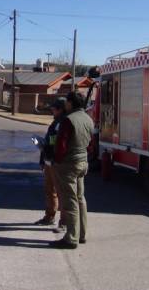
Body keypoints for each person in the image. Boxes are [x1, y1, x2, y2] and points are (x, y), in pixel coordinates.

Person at [49, 91, 94, 249]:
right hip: (83, 162)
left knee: (70, 201)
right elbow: (91, 143)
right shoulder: (88, 119)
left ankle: (71, 238)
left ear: (70, 103)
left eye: (67, 101)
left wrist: (56, 160)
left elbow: (61, 145)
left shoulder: (69, 120)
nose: (65, 104)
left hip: (69, 164)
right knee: (80, 198)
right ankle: (81, 234)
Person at [35, 99, 66, 232]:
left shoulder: (64, 122)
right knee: (50, 190)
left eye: (53, 109)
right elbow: (49, 141)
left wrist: (47, 147)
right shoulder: (56, 121)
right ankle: (49, 216)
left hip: (56, 162)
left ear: (60, 109)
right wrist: (43, 159)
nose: (52, 111)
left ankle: (64, 222)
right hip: (49, 161)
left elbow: (57, 143)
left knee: (61, 193)